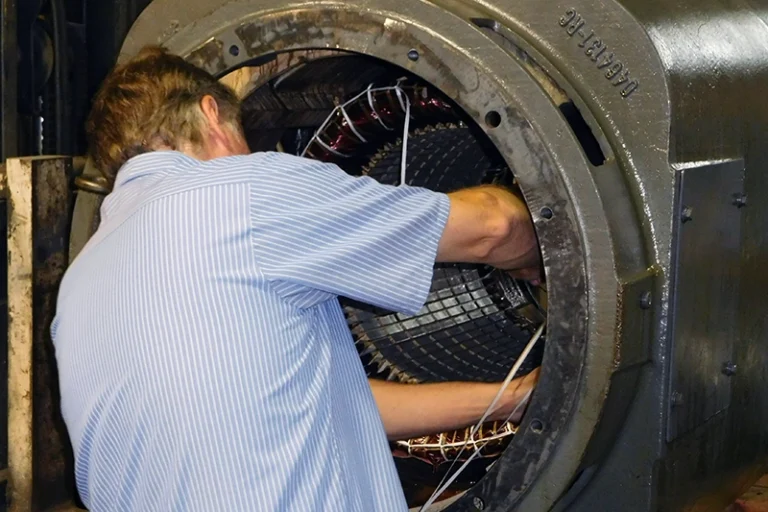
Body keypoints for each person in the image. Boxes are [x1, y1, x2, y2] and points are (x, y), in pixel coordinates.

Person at [51, 46, 542, 512]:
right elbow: (497, 226)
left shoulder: (79, 283)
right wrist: (538, 263)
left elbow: (318, 403)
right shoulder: (245, 191)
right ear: (211, 114)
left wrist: (510, 398)